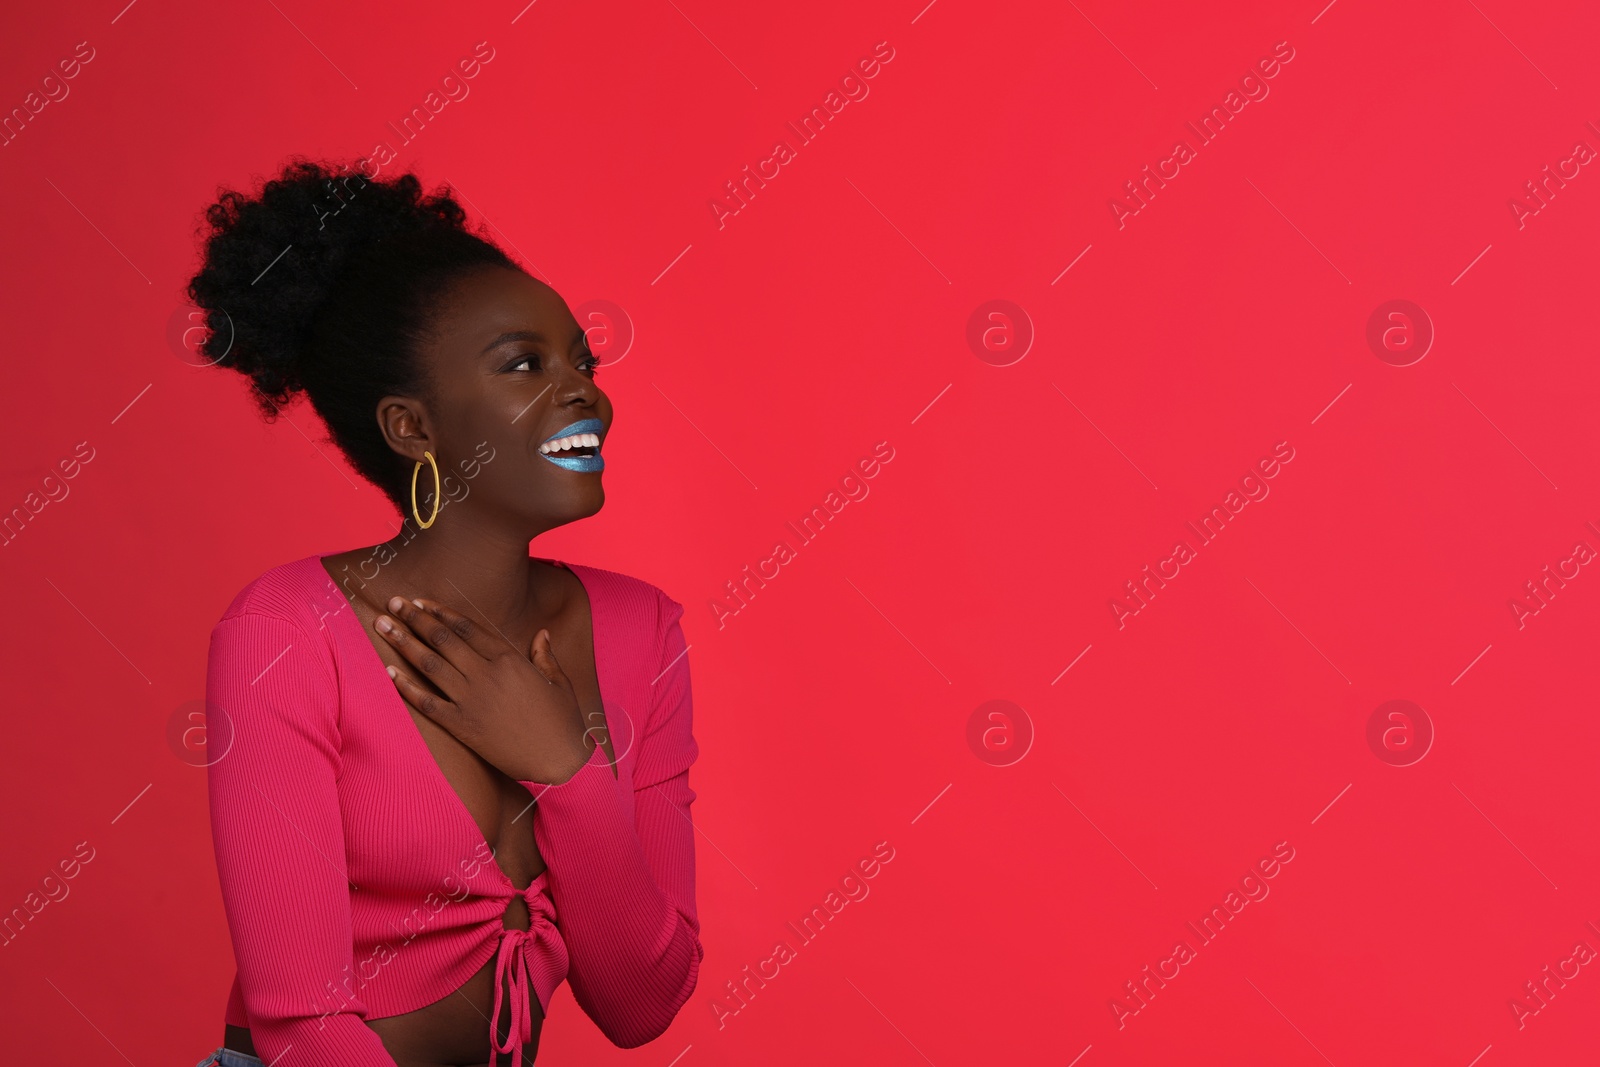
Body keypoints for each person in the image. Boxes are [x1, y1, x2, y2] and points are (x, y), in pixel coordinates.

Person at [184, 158, 702, 1067]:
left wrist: (564, 768)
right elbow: (301, 1024)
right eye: (526, 365)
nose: (583, 389)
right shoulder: (285, 633)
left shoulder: (643, 632)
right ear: (412, 429)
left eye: (582, 360)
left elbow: (642, 1001)